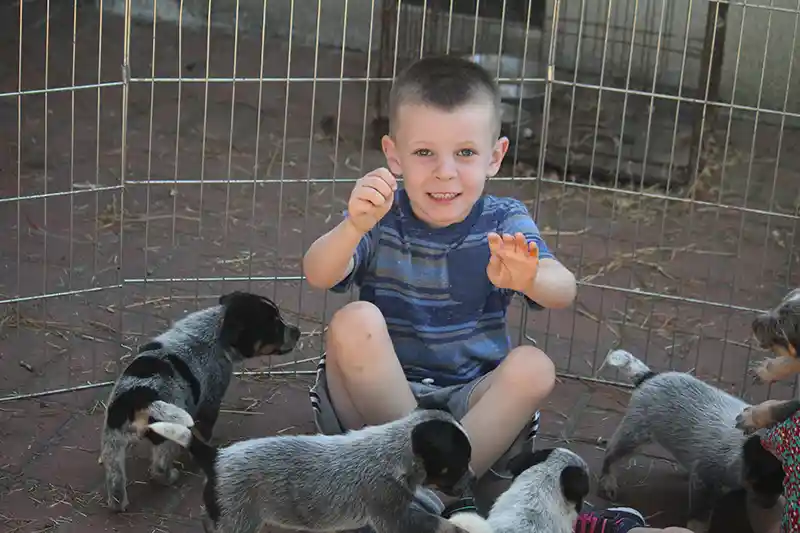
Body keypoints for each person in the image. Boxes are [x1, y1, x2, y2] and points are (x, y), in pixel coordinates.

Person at [302, 54, 577, 518]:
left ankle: (426, 493)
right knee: (353, 321)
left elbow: (564, 289)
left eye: (465, 153)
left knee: (534, 366)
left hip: (471, 409)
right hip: (379, 399)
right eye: (425, 152)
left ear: (495, 156)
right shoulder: (381, 212)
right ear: (394, 155)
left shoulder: (503, 219)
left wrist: (530, 275)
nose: (445, 172)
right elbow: (318, 272)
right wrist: (352, 226)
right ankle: (432, 487)